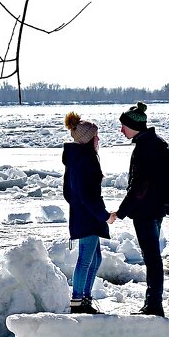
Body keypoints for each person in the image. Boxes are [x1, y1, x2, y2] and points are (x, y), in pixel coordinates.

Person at [110, 101, 168, 317]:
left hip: (146, 211)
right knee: (153, 257)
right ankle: (153, 303)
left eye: (123, 126)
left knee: (152, 258)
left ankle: (154, 305)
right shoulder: (155, 143)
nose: (121, 130)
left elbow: (139, 186)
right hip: (156, 208)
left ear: (133, 126)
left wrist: (122, 211)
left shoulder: (144, 148)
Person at [62, 111, 108, 315]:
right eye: (96, 136)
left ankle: (84, 299)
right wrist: (103, 214)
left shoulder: (77, 158)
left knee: (95, 259)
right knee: (85, 259)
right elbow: (88, 194)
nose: (98, 139)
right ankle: (78, 301)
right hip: (88, 217)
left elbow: (68, 192)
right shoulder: (85, 161)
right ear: (88, 139)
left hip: (85, 215)